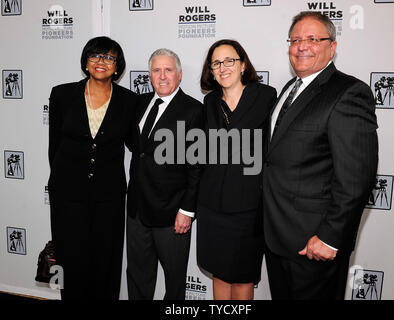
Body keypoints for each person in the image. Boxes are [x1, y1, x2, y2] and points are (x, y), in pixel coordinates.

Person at [263, 11, 379, 300]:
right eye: (296, 39)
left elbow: (355, 178)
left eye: (313, 39)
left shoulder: (349, 92)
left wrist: (330, 236)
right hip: (277, 237)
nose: (302, 46)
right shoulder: (290, 88)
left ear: (332, 46)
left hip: (314, 243)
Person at [48, 36, 138, 300]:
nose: (102, 62)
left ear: (118, 66)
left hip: (108, 197)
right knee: (69, 258)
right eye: (96, 56)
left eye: (110, 57)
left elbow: (136, 145)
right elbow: (54, 147)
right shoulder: (62, 94)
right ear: (86, 62)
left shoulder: (129, 101)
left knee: (105, 261)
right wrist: (62, 183)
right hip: (67, 195)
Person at [197, 39, 277, 300]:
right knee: (219, 273)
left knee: (243, 278)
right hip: (212, 206)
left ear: (243, 64)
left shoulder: (266, 96)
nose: (223, 67)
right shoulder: (209, 103)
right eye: (216, 63)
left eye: (229, 60)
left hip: (248, 208)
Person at [126, 48, 203, 300]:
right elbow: (139, 151)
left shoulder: (193, 110)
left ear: (179, 75)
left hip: (172, 214)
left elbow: (197, 167)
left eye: (168, 70)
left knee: (174, 281)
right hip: (137, 210)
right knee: (137, 276)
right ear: (149, 74)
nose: (162, 76)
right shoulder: (138, 103)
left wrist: (187, 210)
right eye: (156, 70)